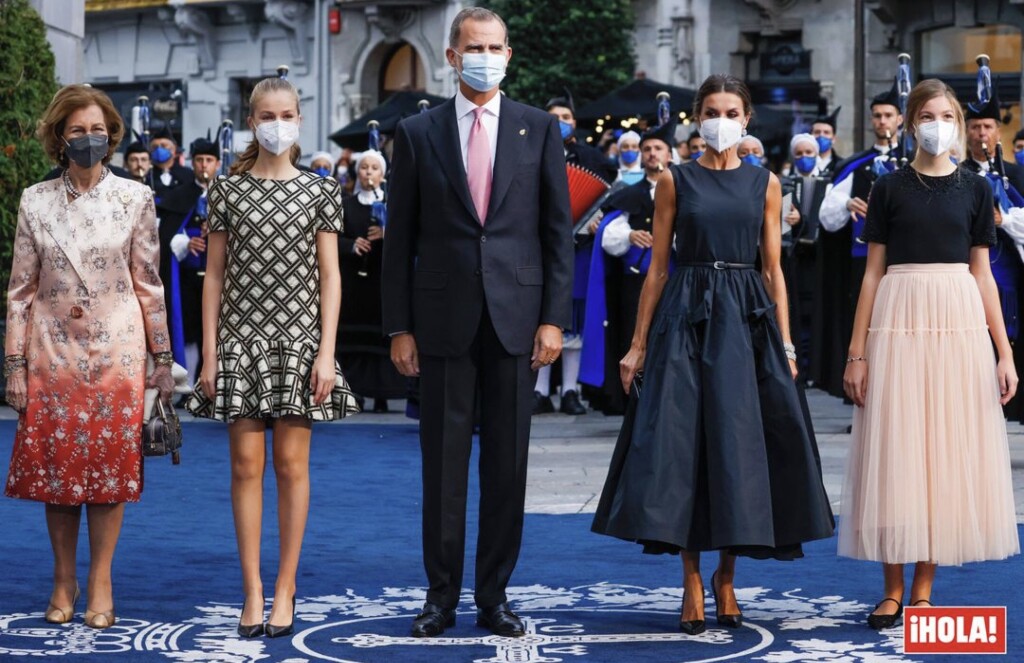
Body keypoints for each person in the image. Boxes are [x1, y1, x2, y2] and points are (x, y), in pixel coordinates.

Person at [591, 74, 834, 635]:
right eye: (711, 111)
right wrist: (637, 344)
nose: (721, 121)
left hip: (747, 319)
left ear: (746, 120)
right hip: (687, 314)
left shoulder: (766, 182)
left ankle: (727, 576)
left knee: (738, 446)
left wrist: (787, 342)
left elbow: (774, 269)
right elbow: (657, 269)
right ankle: (692, 579)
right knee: (684, 445)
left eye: (731, 112)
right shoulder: (674, 180)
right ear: (697, 118)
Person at [382, 6, 573, 639]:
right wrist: (399, 327)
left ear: (508, 56)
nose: (485, 57)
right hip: (441, 322)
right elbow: (399, 240)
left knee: (507, 468)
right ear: (451, 56)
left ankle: (494, 595)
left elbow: (557, 234)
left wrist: (554, 319)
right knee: (442, 469)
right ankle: (440, 597)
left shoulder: (539, 128)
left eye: (495, 47)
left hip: (518, 320)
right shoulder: (417, 132)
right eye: (474, 47)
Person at [839, 78, 1020, 628]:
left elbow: (983, 275)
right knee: (896, 448)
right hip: (897, 319)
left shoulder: (976, 189)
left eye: (946, 116)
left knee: (942, 451)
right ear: (910, 122)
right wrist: (856, 353)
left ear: (958, 125)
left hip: (958, 323)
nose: (936, 125)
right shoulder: (888, 186)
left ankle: (922, 589)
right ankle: (891, 588)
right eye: (926, 115)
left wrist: (1005, 353)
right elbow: (872, 274)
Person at [185, 76, 360, 639]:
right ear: (251, 120)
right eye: (267, 115)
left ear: (299, 120)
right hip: (239, 342)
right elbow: (213, 278)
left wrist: (326, 352)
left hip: (300, 342)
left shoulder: (320, 190)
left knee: (291, 466)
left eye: (286, 115)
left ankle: (285, 587)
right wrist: (210, 355)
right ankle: (252, 590)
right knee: (244, 467)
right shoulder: (227, 191)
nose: (277, 124)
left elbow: (331, 278)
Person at [4, 84, 174, 629]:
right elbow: (19, 292)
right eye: (77, 130)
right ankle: (63, 579)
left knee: (108, 472)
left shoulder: (135, 198)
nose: (89, 138)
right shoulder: (35, 200)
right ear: (60, 136)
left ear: (112, 135)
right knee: (57, 472)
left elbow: (149, 284)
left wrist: (162, 359)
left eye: (98, 130)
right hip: (51, 353)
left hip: (116, 355)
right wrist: (13, 365)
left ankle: (100, 579)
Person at [579, 119, 676, 416]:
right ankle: (634, 400)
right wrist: (630, 235)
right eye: (647, 149)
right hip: (636, 284)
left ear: (670, 154)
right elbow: (608, 234)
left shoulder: (685, 191)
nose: (651, 153)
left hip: (676, 283)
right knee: (634, 339)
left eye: (658, 148)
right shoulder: (628, 195)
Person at [816, 80, 903, 400]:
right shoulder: (856, 165)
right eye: (877, 115)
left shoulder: (912, 162)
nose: (882, 121)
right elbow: (827, 214)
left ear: (900, 119)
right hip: (863, 259)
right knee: (867, 325)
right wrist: (847, 203)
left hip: (906, 258)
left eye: (888, 115)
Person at [532, 93, 613, 416]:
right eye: (554, 118)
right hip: (537, 247)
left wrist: (599, 219)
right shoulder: (529, 152)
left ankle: (569, 390)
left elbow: (611, 195)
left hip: (579, 248)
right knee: (539, 316)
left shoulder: (593, 158)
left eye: (565, 117)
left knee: (574, 318)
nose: (560, 123)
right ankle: (539, 391)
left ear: (574, 122)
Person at [336, 149, 405, 412]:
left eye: (374, 168)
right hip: (355, 284)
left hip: (382, 282)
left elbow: (408, 236)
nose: (368, 173)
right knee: (354, 342)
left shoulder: (391, 204)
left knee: (380, 340)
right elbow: (332, 238)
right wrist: (351, 245)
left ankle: (382, 394)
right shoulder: (346, 205)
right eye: (364, 167)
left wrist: (387, 233)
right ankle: (354, 391)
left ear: (382, 174)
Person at [155, 136, 220, 385]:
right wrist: (186, 242)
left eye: (209, 160)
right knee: (190, 330)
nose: (204, 165)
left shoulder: (227, 194)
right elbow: (166, 235)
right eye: (200, 160)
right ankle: (189, 383)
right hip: (186, 280)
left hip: (220, 278)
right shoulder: (179, 196)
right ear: (192, 163)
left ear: (217, 164)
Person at [781, 133, 829, 381]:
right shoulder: (785, 185)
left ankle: (813, 367)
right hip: (794, 259)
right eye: (799, 154)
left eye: (809, 153)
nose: (804, 158)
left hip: (818, 259)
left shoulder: (827, 183)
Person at [149, 125, 193, 196]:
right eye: (155, 147)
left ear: (174, 149)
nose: (159, 149)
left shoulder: (188, 175)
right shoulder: (148, 175)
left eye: (163, 146)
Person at [811, 107, 843, 177]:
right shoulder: (801, 164)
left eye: (826, 132)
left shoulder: (842, 166)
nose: (821, 136)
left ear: (833, 138)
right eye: (817, 132)